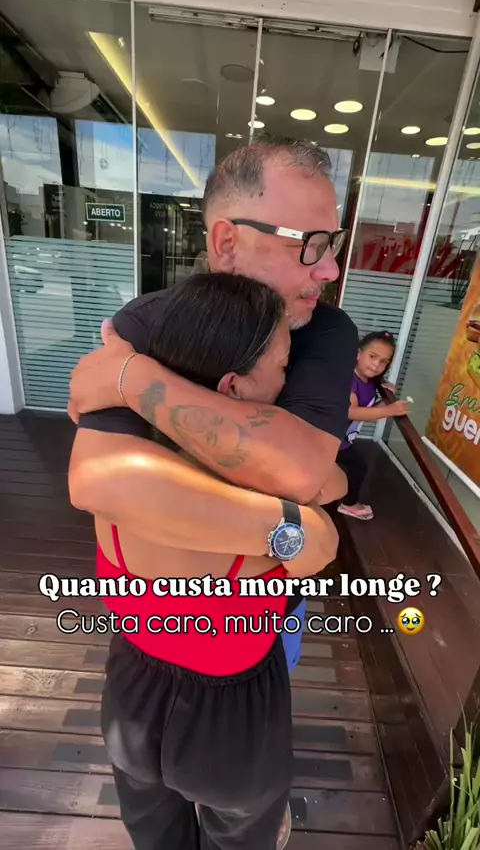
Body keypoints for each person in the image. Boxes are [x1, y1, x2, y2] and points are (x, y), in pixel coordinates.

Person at [68, 137, 358, 676]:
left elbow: (298, 470)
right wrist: (290, 528)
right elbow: (100, 483)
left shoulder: (324, 329)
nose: (330, 270)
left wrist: (133, 378)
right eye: (310, 244)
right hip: (142, 636)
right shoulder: (151, 317)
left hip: (262, 632)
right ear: (227, 241)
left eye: (333, 244)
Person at [72, 271, 338, 850]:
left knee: (155, 836)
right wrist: (295, 505)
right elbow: (320, 528)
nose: (288, 381)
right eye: (283, 366)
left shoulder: (114, 478)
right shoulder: (257, 517)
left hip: (131, 694)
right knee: (240, 838)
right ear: (233, 388)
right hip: (231, 723)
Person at [336, 330, 410, 520]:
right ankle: (348, 504)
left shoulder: (370, 381)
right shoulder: (350, 381)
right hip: (330, 438)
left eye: (384, 361)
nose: (377, 365)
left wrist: (386, 400)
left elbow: (368, 412)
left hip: (341, 438)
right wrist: (389, 410)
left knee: (352, 466)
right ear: (358, 354)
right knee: (358, 467)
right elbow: (352, 412)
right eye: (373, 356)